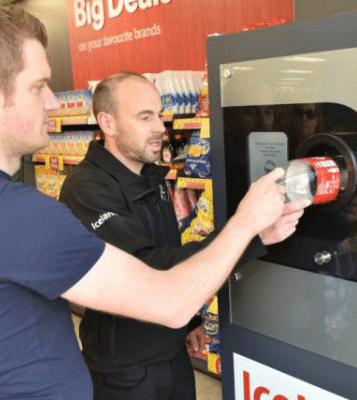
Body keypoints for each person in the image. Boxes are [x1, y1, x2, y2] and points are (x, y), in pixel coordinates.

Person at [0, 3, 305, 399]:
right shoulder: (14, 212)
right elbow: (170, 302)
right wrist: (247, 221)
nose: (53, 102)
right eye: (38, 87)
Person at [59, 72, 306, 400]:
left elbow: (170, 253)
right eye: (145, 117)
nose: (160, 127)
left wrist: (190, 320)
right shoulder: (86, 190)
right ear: (107, 122)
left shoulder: (152, 176)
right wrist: (248, 229)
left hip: (173, 352)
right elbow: (149, 269)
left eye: (159, 114)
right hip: (125, 370)